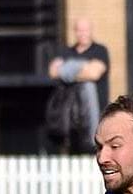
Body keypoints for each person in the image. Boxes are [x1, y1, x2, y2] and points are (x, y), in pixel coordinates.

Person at [47, 18, 109, 153]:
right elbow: (53, 71)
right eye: (80, 30)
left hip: (94, 117)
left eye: (86, 30)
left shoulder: (100, 50)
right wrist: (83, 67)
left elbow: (94, 74)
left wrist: (68, 69)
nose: (83, 33)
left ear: (91, 31)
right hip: (69, 116)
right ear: (75, 32)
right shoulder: (65, 51)